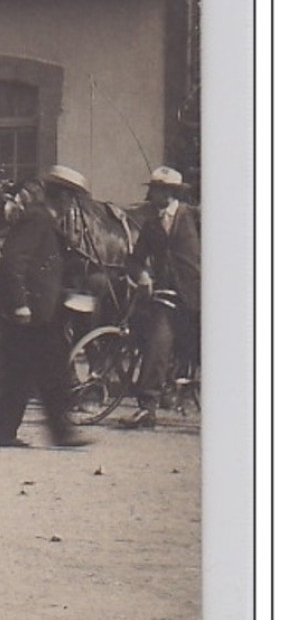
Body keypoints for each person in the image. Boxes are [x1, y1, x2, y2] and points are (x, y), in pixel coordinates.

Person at [0, 166, 92, 449]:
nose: (72, 206)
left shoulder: (46, 220)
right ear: (63, 197)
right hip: (31, 315)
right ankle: (58, 434)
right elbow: (13, 260)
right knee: (48, 373)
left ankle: (2, 433)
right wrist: (20, 304)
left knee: (26, 376)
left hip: (42, 312)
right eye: (72, 199)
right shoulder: (37, 219)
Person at [120, 166, 201, 429]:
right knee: (158, 344)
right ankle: (147, 409)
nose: (154, 194)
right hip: (167, 296)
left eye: (159, 189)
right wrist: (142, 274)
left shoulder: (195, 217)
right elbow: (134, 260)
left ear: (172, 192)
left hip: (201, 296)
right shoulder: (152, 225)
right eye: (153, 189)